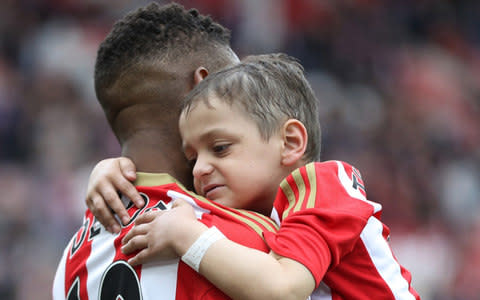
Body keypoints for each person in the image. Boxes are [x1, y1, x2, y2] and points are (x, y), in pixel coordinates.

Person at [91, 54, 420, 299]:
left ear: (290, 143)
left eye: (219, 148)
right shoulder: (256, 206)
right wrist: (114, 170)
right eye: (191, 158)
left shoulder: (324, 185)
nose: (198, 169)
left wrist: (187, 238)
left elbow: (283, 289)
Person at [52, 3, 279, 300]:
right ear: (202, 87)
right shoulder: (246, 241)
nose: (249, 105)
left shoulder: (70, 259)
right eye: (235, 85)